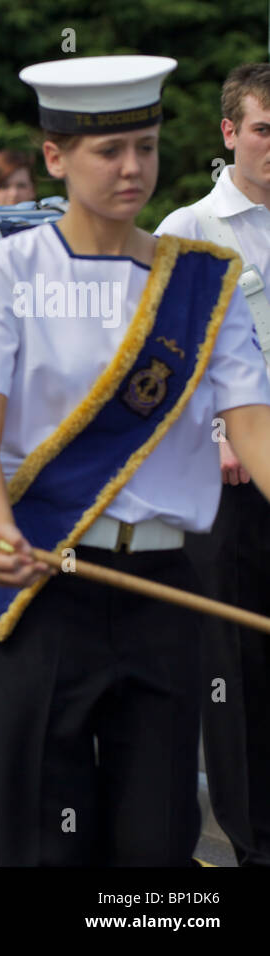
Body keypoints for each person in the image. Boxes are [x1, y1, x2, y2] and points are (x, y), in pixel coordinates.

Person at [0, 56, 270, 866]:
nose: (132, 169)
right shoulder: (6, 269)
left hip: (162, 586)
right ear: (55, 156)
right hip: (42, 582)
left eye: (147, 147)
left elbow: (254, 423)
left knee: (156, 847)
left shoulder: (199, 282)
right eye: (109, 150)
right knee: (46, 841)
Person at [154, 62, 270, 867]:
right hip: (230, 480)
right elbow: (162, 362)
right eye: (265, 128)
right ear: (229, 133)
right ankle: (256, 842)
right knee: (240, 669)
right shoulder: (191, 228)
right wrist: (219, 437)